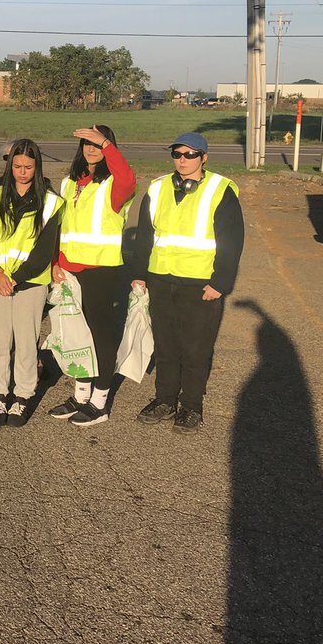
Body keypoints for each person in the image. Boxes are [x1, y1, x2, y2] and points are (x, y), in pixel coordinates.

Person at [132, 132, 243, 435]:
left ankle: (192, 406)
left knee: (195, 349)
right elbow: (145, 236)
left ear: (204, 158)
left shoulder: (220, 190)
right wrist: (140, 273)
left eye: (190, 154)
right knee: (165, 346)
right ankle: (165, 400)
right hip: (161, 279)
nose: (183, 160)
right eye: (177, 154)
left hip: (201, 284)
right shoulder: (157, 188)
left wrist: (220, 282)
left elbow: (232, 241)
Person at [48, 126, 137, 426]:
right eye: (87, 143)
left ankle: (100, 401)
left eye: (97, 144)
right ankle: (81, 395)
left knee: (100, 333)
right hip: (69, 269)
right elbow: (60, 227)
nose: (91, 148)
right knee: (77, 335)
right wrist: (55, 262)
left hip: (100, 269)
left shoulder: (114, 184)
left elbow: (128, 179)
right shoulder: (70, 182)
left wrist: (107, 145)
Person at [0, 138, 64, 428]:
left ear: (37, 167)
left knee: (26, 343)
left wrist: (16, 278)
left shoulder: (51, 202)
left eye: (28, 167)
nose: (22, 172)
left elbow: (44, 250)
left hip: (29, 283)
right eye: (17, 166)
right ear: (10, 166)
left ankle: (23, 395)